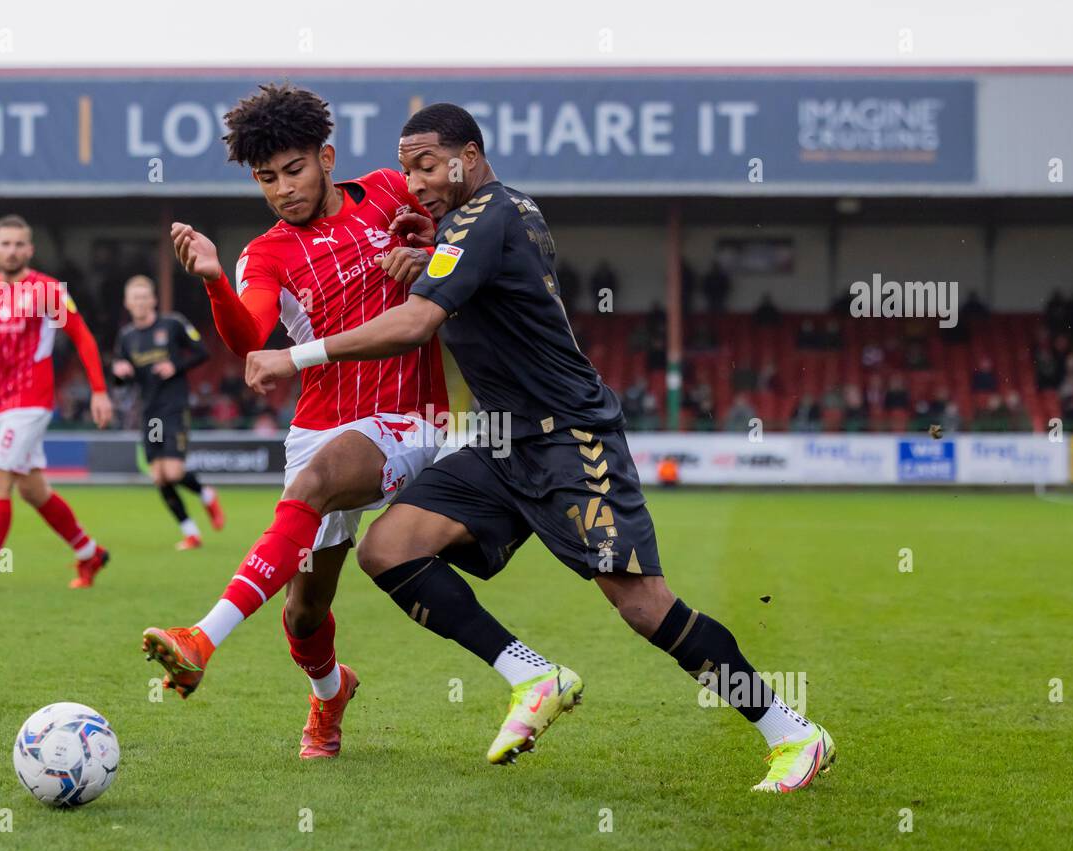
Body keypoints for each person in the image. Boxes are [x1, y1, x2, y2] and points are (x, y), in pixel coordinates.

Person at [246, 103, 835, 791]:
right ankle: (534, 676)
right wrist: (424, 250)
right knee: (388, 547)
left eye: (428, 165)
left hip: (569, 437)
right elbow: (457, 273)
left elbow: (415, 324)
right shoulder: (475, 220)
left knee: (644, 605)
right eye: (406, 168)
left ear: (470, 152)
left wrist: (298, 356)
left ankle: (791, 732)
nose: (414, 181)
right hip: (501, 441)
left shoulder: (487, 216)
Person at [140, 83, 449, 760]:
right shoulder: (267, 254)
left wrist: (430, 253)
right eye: (266, 178)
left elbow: (469, 239)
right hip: (321, 425)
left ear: (327, 156)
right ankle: (329, 694)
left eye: (295, 169)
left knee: (315, 484)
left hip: (408, 418)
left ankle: (200, 639)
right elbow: (250, 335)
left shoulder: (394, 191)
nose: (283, 188)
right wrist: (215, 281)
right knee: (302, 613)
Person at [0, 214, 113, 591]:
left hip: (33, 401)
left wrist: (99, 391)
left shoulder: (47, 290)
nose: (12, 250)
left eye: (19, 244)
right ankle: (89, 553)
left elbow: (83, 337)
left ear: (30, 249)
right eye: (5, 243)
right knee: (33, 490)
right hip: (2, 406)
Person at [112, 275, 224, 550]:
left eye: (144, 297)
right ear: (128, 303)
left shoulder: (172, 324)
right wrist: (120, 373)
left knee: (173, 473)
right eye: (134, 298)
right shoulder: (126, 337)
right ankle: (191, 533)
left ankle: (206, 494)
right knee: (159, 476)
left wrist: (175, 366)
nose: (139, 302)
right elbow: (121, 378)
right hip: (150, 412)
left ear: (153, 300)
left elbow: (201, 352)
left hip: (173, 407)